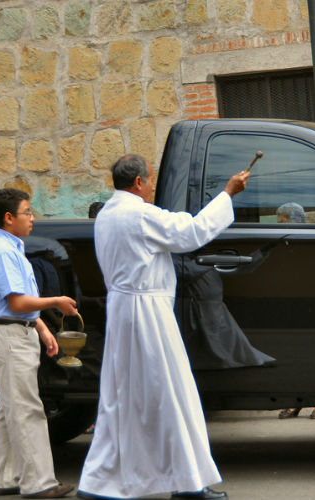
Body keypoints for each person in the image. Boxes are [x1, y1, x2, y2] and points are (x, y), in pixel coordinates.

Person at [78, 155, 249, 500]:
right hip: (147, 313)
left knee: (121, 397)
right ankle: (187, 484)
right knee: (171, 394)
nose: (153, 186)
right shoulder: (139, 214)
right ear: (139, 182)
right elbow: (191, 233)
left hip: (123, 310)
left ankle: (100, 481)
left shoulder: (107, 214)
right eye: (151, 180)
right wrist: (228, 194)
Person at [0, 188, 79, 499]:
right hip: (9, 336)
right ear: (9, 218)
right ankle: (38, 483)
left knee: (11, 407)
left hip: (12, 331)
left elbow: (15, 304)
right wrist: (57, 302)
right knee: (27, 409)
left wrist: (41, 328)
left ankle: (5, 477)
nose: (33, 217)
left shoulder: (9, 248)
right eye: (28, 212)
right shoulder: (3, 252)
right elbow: (17, 301)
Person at [274, 202, 315, 420]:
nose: (279, 226)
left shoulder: (312, 238)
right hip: (290, 303)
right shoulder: (283, 242)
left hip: (313, 303)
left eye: (283, 222)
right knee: (292, 353)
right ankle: (295, 401)